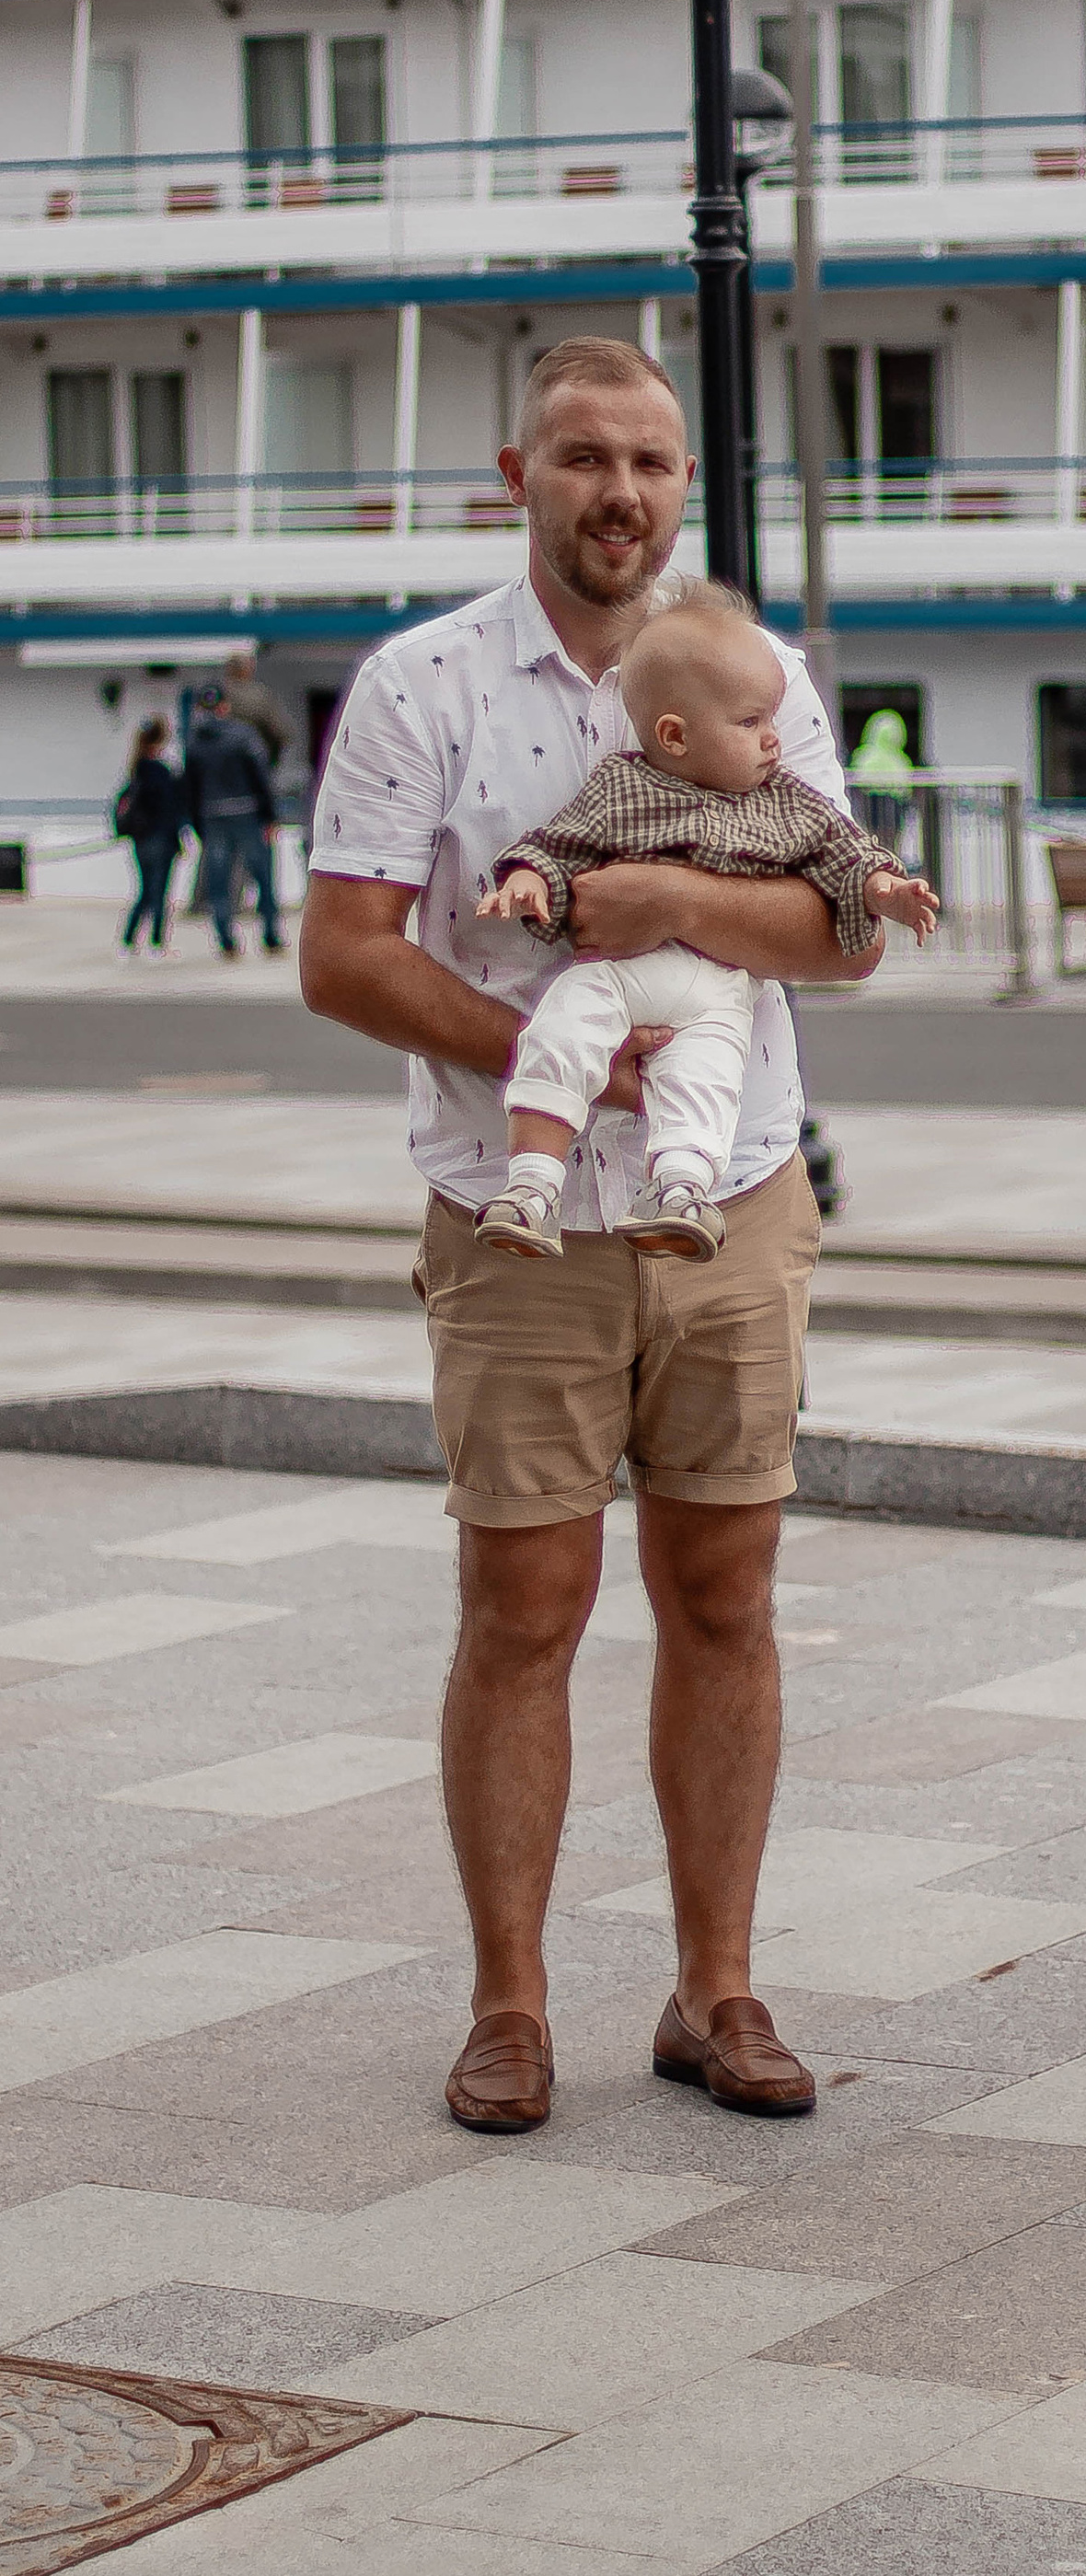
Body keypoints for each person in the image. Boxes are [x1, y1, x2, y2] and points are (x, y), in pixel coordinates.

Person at [300, 333, 883, 2139]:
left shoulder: (754, 671)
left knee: (724, 1596)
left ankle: (716, 1991)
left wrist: (666, 903)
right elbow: (345, 957)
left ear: (679, 485)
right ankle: (509, 2006)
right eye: (582, 460)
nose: (617, 494)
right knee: (522, 1606)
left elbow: (842, 929)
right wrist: (577, 1074)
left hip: (734, 1212)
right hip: (519, 1219)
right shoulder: (424, 685)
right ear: (517, 475)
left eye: (647, 462)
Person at [474, 583, 933, 1261]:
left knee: (706, 1078)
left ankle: (681, 1189)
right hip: (615, 971)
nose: (773, 739)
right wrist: (527, 878)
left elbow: (845, 852)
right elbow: (562, 843)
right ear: (675, 736)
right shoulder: (622, 786)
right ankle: (531, 1184)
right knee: (558, 1035)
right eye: (750, 723)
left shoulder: (787, 801)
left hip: (716, 987)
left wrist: (886, 889)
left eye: (772, 720)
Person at [183, 682, 283, 957]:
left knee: (219, 883)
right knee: (263, 878)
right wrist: (271, 815)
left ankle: (226, 939)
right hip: (247, 812)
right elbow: (261, 776)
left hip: (212, 815)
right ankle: (271, 935)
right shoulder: (244, 736)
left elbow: (189, 788)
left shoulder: (194, 743)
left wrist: (197, 824)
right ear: (225, 706)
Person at [111, 717, 186, 955]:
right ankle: (156, 941)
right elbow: (170, 808)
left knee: (145, 890)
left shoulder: (136, 770)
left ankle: (129, 939)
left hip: (141, 840)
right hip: (161, 838)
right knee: (159, 891)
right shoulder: (161, 773)